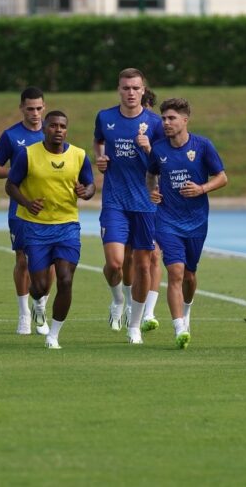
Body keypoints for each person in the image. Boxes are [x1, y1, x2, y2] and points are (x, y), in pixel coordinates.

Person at [6, 111, 96, 349]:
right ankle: (38, 305)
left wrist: (86, 192)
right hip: (35, 228)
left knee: (65, 279)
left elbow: (90, 185)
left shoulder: (79, 155)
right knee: (40, 287)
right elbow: (10, 185)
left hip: (67, 226)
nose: (58, 130)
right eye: (53, 125)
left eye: (62, 126)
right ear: (44, 128)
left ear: (67, 130)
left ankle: (53, 335)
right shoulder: (28, 154)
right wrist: (26, 203)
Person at [147, 98, 228, 349]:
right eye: (164, 118)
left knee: (190, 276)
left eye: (171, 118)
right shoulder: (158, 149)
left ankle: (187, 309)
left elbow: (222, 177)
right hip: (167, 220)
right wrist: (152, 191)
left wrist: (202, 188)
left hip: (196, 222)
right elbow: (150, 175)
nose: (166, 123)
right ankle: (179, 327)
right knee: (176, 272)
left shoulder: (202, 146)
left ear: (185, 120)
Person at [93, 68, 165, 344]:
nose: (131, 93)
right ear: (119, 90)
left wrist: (149, 150)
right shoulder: (105, 117)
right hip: (114, 202)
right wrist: (99, 158)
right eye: (126, 88)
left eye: (136, 88)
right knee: (115, 263)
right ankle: (117, 300)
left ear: (143, 90)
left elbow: (164, 164)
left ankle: (134, 327)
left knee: (143, 265)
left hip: (146, 204)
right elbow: (98, 141)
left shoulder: (156, 124)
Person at [0, 87, 53, 336]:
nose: (35, 113)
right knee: (23, 261)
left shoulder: (53, 131)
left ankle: (41, 308)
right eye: (30, 109)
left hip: (51, 209)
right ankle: (24, 314)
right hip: (21, 208)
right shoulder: (12, 135)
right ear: (22, 108)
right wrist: (19, 170)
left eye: (39, 108)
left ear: (44, 107)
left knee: (51, 264)